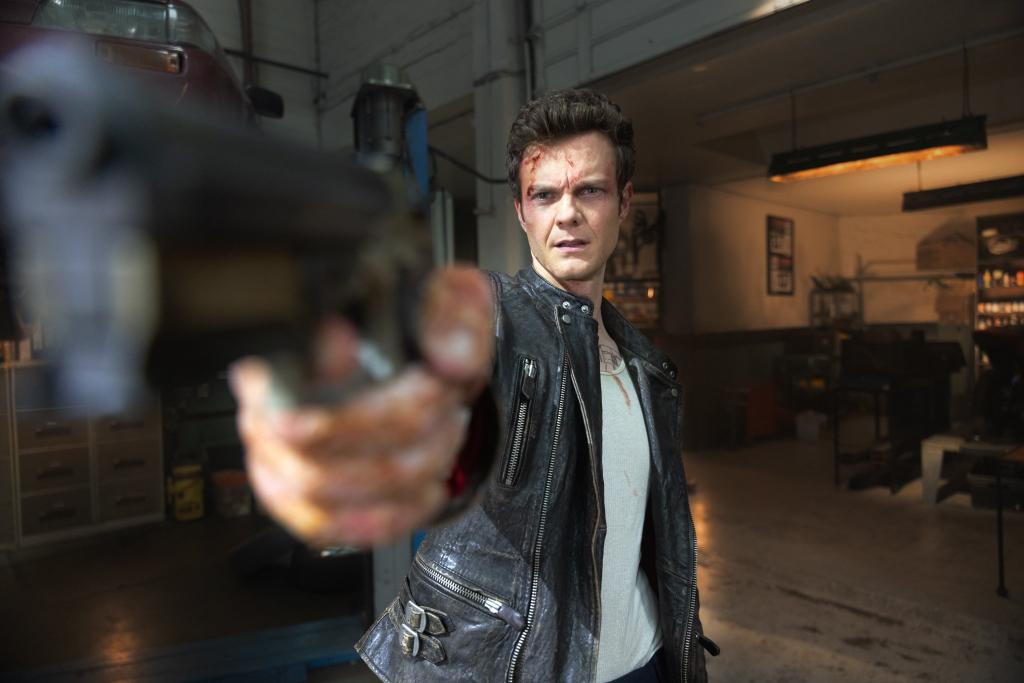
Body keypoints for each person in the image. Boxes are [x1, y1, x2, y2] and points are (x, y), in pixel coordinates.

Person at [231, 89, 714, 682]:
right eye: (544, 195)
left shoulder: (646, 366)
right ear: (521, 211)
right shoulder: (495, 316)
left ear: (624, 201)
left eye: (590, 190)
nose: (567, 213)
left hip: (647, 661)